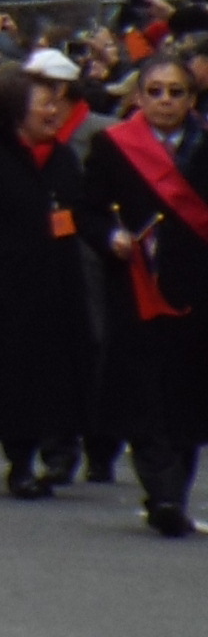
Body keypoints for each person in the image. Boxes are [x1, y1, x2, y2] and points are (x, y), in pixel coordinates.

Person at [0, 54, 97, 499]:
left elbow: (82, 214)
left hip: (60, 287)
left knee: (62, 373)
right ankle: (22, 461)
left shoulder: (64, 159)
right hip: (5, 293)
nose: (52, 113)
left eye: (54, 105)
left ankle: (61, 450)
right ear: (14, 113)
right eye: (41, 106)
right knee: (15, 380)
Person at [80, 53, 208, 535]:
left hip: (197, 288)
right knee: (146, 392)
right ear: (138, 96)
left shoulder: (203, 145)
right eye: (155, 91)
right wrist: (108, 238)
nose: (165, 101)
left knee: (189, 394)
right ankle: (164, 492)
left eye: (176, 92)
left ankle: (175, 486)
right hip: (137, 286)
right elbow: (87, 210)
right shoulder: (112, 146)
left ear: (191, 99)